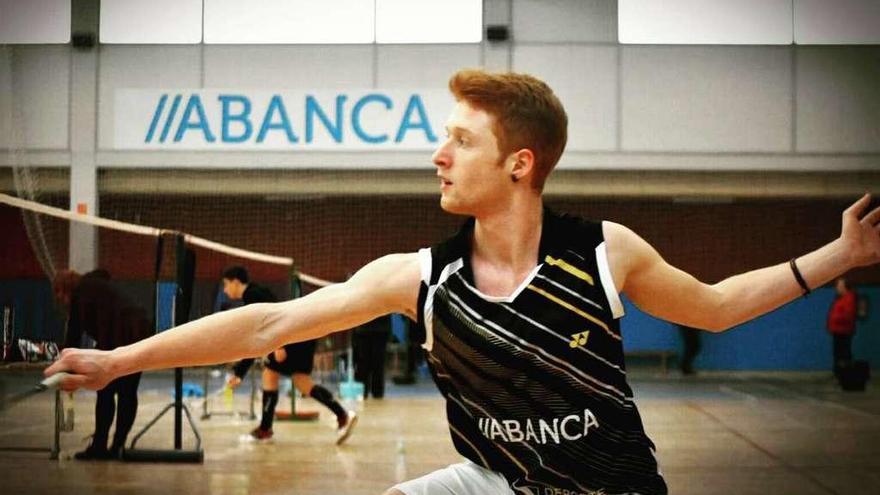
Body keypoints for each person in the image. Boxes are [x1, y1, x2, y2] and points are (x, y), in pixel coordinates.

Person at [47, 69, 880, 495]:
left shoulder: (602, 252)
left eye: (459, 141)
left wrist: (836, 257)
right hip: (492, 481)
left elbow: (722, 305)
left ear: (520, 163)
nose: (436, 156)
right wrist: (120, 361)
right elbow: (267, 326)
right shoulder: (422, 278)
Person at [219, 266, 357, 444]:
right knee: (302, 382)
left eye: (226, 284)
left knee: (270, 374)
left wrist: (278, 346)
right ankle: (343, 415)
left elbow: (264, 331)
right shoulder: (256, 293)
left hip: (290, 340)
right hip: (301, 338)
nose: (224, 289)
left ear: (236, 282)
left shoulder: (254, 296)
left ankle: (265, 429)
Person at [53, 268, 151, 460]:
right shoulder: (99, 287)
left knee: (105, 391)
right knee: (127, 392)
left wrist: (65, 366)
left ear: (64, 289)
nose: (60, 300)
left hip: (120, 335)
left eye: (59, 294)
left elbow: (74, 334)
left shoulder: (81, 293)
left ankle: (100, 447)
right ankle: (117, 447)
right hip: (141, 329)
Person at [353, 314, 392, 398]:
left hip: (379, 328)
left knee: (376, 362)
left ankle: (374, 392)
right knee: (364, 362)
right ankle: (363, 391)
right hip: (364, 327)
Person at [827, 277, 858, 376]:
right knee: (838, 354)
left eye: (839, 286)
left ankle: (845, 374)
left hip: (844, 331)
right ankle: (840, 374)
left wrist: (836, 318)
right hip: (838, 331)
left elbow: (848, 315)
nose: (837, 288)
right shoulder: (840, 298)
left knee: (843, 354)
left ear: (845, 287)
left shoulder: (849, 298)